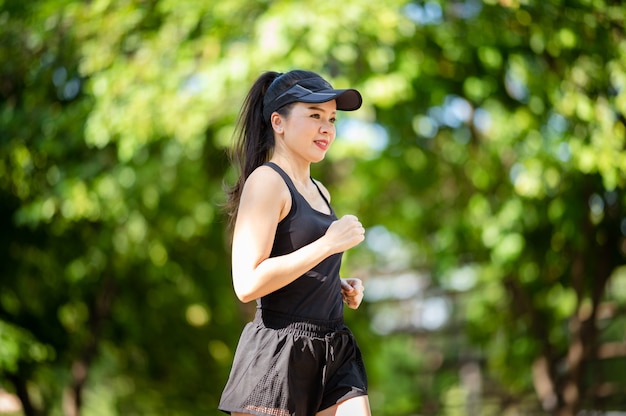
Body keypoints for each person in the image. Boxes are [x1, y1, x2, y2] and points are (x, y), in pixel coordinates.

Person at [218, 70, 371, 416]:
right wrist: (328, 245)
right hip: (279, 352)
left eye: (332, 119)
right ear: (278, 122)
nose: (327, 128)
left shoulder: (320, 191)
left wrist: (336, 284)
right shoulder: (267, 181)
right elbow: (247, 283)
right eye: (315, 115)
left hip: (333, 349)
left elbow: (296, 265)